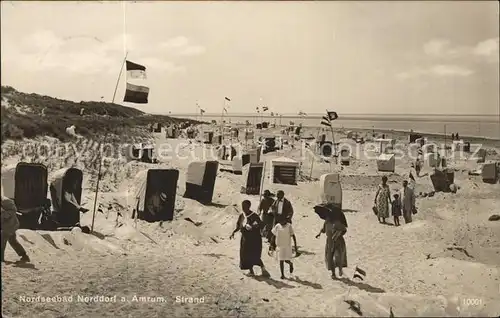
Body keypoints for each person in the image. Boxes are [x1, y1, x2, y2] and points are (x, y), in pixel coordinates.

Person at [230, 200, 270, 277]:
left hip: (254, 239)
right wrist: (234, 232)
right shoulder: (242, 216)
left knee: (254, 255)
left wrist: (253, 226)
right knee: (245, 255)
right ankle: (251, 271)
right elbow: (239, 226)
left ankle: (263, 269)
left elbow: (260, 225)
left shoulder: (254, 215)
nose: (244, 208)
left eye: (245, 206)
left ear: (249, 206)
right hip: (245, 239)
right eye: (243, 206)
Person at [315, 208, 348, 279]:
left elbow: (344, 230)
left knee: (338, 256)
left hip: (338, 241)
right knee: (330, 258)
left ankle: (340, 269)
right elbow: (323, 230)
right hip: (330, 242)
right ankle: (333, 273)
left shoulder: (337, 222)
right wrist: (319, 233)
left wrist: (338, 234)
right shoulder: (326, 222)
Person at [1, 196, 30, 263]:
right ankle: (24, 256)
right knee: (12, 240)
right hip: (9, 225)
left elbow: (13, 210)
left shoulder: (6, 201)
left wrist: (3, 215)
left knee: (2, 240)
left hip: (9, 225)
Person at [269, 191, 299, 255]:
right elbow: (272, 207)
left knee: (286, 233)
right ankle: (272, 246)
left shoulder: (287, 202)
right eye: (277, 196)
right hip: (277, 219)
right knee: (274, 232)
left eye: (278, 195)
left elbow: (291, 211)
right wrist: (272, 212)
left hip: (284, 220)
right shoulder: (276, 201)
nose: (277, 197)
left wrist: (287, 218)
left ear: (282, 195)